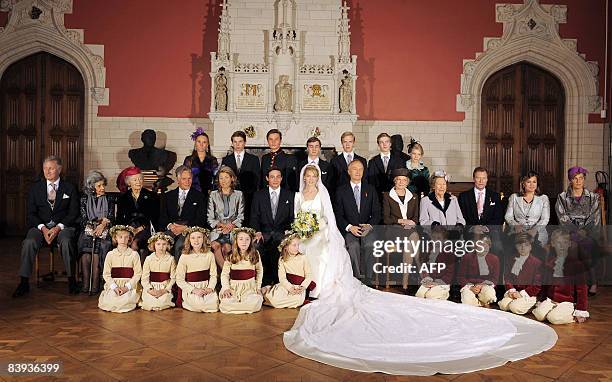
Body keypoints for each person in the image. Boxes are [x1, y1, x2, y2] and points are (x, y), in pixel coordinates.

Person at [283, 158, 557, 375]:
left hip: (379, 232)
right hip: (312, 233)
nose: (310, 179)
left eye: (313, 176)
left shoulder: (418, 199)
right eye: (307, 177)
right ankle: (313, 288)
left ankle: (417, 282)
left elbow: (333, 216)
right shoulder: (302, 195)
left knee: (415, 243)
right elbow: (320, 216)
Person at [13, 155, 80, 298]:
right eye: (45, 168)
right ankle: (24, 282)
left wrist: (57, 228)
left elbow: (73, 213)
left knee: (67, 241)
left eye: (51, 168)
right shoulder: (35, 188)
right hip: (40, 227)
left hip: (63, 227)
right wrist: (43, 228)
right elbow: (30, 214)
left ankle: (71, 280)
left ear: (59, 169)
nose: (47, 171)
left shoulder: (70, 188)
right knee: (29, 242)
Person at [555, 166, 601, 295]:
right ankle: (575, 284)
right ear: (570, 180)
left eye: (581, 178)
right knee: (573, 247)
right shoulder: (562, 197)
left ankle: (592, 282)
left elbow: (594, 218)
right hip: (569, 232)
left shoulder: (593, 197)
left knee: (586, 247)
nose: (578, 181)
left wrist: (584, 232)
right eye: (575, 178)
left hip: (588, 232)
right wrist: (574, 232)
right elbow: (562, 217)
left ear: (584, 180)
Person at [333, 160, 380, 278]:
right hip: (350, 229)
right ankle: (356, 278)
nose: (358, 172)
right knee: (353, 246)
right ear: (349, 171)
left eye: (360, 169)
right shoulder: (340, 190)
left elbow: (377, 213)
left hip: (367, 229)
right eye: (354, 169)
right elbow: (338, 214)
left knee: (371, 245)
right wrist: (349, 228)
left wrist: (369, 226)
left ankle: (369, 278)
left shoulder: (371, 189)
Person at [533, 228, 589, 324]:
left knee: (553, 318)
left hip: (567, 301)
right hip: (552, 300)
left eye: (565, 242)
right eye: (559, 243)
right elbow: (546, 285)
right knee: (539, 314)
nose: (562, 246)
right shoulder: (550, 263)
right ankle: (554, 310)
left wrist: (581, 309)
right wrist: (542, 300)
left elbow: (582, 289)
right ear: (553, 244)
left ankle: (570, 313)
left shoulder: (576, 264)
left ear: (569, 244)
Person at [250, 167, 295, 285]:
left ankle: (279, 281)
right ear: (267, 179)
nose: (275, 180)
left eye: (278, 177)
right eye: (272, 177)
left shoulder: (289, 195)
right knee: (256, 245)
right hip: (263, 232)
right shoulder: (258, 195)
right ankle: (262, 281)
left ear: (281, 178)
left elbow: (292, 217)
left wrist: (288, 231)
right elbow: (254, 216)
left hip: (282, 232)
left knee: (281, 245)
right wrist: (257, 231)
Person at [77, 170, 117, 295]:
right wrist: (94, 226)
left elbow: (111, 217)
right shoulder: (84, 198)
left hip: (105, 230)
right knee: (85, 253)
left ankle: (95, 283)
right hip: (89, 230)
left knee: (98, 251)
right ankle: (85, 283)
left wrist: (103, 224)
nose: (102, 188)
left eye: (103, 185)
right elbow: (83, 219)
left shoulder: (109, 198)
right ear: (92, 187)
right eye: (99, 186)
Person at [159, 165, 207, 261]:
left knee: (180, 245)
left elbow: (201, 218)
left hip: (189, 229)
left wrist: (185, 227)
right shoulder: (168, 196)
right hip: (172, 228)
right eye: (184, 179)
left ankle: (178, 272)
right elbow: (162, 216)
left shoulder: (199, 196)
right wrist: (171, 226)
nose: (187, 181)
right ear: (178, 179)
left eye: (189, 178)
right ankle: (164, 271)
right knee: (161, 243)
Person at [219, 228, 264, 314]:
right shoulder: (231, 255)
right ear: (236, 241)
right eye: (241, 239)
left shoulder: (255, 253)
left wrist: (258, 287)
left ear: (251, 241)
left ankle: (237, 307)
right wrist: (226, 288)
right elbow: (224, 274)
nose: (244, 242)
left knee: (255, 303)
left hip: (249, 287)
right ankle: (241, 306)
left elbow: (259, 271)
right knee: (226, 303)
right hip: (233, 287)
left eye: (247, 239)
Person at [263, 232, 315, 308]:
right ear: (286, 247)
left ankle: (273, 300)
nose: (297, 247)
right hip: (286, 286)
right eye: (294, 245)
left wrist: (303, 287)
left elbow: (309, 275)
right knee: (275, 300)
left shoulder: (303, 258)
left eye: (298, 245)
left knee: (298, 301)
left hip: (298, 287)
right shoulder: (282, 259)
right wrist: (289, 287)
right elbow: (282, 277)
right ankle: (269, 292)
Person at [98, 225, 142, 313]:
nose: (123, 240)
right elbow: (106, 274)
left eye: (126, 237)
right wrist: (114, 287)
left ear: (129, 239)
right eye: (120, 237)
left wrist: (127, 287)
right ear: (115, 238)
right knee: (110, 302)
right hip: (115, 285)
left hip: (129, 285)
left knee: (125, 302)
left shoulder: (134, 254)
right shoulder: (110, 254)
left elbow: (138, 274)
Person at [116, 167, 159, 256]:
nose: (138, 182)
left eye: (140, 179)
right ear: (129, 182)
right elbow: (119, 217)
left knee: (135, 244)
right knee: (125, 242)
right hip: (128, 228)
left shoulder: (152, 196)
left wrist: (141, 227)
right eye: (135, 180)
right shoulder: (123, 197)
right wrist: (127, 228)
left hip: (145, 228)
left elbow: (154, 216)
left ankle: (140, 269)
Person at [175, 226, 219, 313]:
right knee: (198, 305)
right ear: (189, 240)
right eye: (193, 238)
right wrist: (194, 290)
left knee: (213, 305)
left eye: (199, 237)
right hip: (191, 288)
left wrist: (210, 288)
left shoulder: (210, 255)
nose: (196, 240)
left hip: (206, 286)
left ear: (204, 239)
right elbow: (179, 279)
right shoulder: (184, 256)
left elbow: (213, 275)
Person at [208, 166, 244, 267]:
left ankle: (224, 275)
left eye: (226, 177)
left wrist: (231, 226)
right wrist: (221, 225)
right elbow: (210, 218)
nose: (223, 181)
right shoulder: (213, 195)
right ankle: (226, 274)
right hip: (218, 230)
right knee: (215, 245)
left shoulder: (239, 194)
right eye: (221, 178)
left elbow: (241, 217)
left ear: (232, 178)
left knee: (227, 247)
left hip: (232, 230)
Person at [221, 130, 260, 222]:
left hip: (248, 197)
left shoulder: (253, 159)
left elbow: (257, 179)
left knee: (246, 221)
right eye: (235, 142)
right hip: (231, 197)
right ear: (232, 143)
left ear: (245, 143)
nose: (237, 144)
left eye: (240, 141)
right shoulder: (226, 160)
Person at [498, 234, 542, 315]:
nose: (523, 248)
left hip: (528, 294)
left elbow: (537, 285)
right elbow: (507, 277)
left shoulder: (537, 263)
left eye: (526, 245)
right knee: (503, 306)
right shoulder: (511, 259)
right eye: (520, 245)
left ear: (531, 247)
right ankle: (516, 303)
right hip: (514, 292)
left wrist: (521, 294)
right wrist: (511, 290)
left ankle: (531, 306)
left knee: (514, 308)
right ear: (516, 246)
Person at [504, 171, 550, 245]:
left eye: (534, 182)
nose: (532, 185)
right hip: (518, 232)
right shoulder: (514, 197)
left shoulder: (543, 198)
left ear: (537, 183)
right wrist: (516, 225)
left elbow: (545, 219)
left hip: (537, 233)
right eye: (528, 182)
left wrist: (534, 230)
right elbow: (508, 216)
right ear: (523, 183)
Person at [457, 236, 500, 307]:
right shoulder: (467, 257)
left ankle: (482, 301)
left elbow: (494, 279)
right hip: (469, 285)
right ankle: (481, 304)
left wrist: (482, 285)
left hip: (485, 285)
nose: (484, 247)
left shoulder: (494, 259)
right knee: (467, 301)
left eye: (487, 245)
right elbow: (461, 277)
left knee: (489, 295)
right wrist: (470, 287)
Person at [415, 225, 455, 300]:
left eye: (439, 238)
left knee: (430, 296)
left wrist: (438, 282)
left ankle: (444, 294)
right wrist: (426, 277)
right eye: (434, 238)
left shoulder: (448, 252)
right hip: (429, 279)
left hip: (442, 282)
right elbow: (424, 265)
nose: (436, 241)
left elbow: (450, 272)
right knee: (419, 295)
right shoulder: (428, 249)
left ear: (444, 240)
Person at [140, 233, 176, 311]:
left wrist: (165, 290)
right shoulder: (148, 259)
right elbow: (144, 278)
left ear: (167, 245)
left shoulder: (171, 259)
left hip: (164, 287)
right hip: (152, 286)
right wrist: (150, 290)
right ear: (154, 245)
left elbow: (173, 278)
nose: (161, 247)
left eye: (164, 244)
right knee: (149, 303)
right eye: (158, 244)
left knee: (162, 302)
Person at [367, 133, 406, 199]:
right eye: (381, 142)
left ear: (390, 144)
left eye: (386, 142)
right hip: (377, 196)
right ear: (378, 145)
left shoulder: (399, 161)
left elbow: (402, 179)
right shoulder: (372, 162)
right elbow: (371, 181)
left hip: (395, 196)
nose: (384, 144)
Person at [183, 128, 219, 197]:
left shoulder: (212, 160)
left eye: (204, 142)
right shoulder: (189, 160)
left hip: (208, 194)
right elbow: (184, 177)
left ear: (207, 144)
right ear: (195, 143)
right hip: (192, 193)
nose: (201, 144)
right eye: (199, 141)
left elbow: (216, 178)